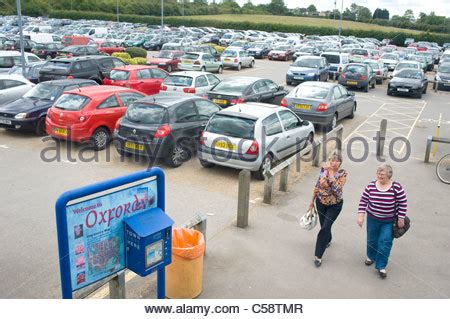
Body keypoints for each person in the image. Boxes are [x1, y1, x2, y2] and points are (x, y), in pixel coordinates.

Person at [357, 164, 407, 279]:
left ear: (389, 175)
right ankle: (371, 256)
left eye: (382, 174)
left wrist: (401, 218)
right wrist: (360, 215)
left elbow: (403, 202)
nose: (379, 176)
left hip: (388, 221)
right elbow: (363, 200)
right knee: (372, 240)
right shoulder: (371, 186)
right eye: (378, 173)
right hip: (372, 219)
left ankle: (381, 265)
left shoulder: (396, 187)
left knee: (385, 243)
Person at [309, 151, 347, 267]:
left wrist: (331, 174)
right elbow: (317, 185)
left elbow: (337, 190)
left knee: (325, 227)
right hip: (320, 202)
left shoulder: (343, 173)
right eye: (332, 160)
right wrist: (312, 201)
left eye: (336, 160)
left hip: (335, 205)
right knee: (324, 226)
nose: (333, 162)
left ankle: (318, 256)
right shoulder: (323, 170)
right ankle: (328, 239)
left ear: (340, 162)